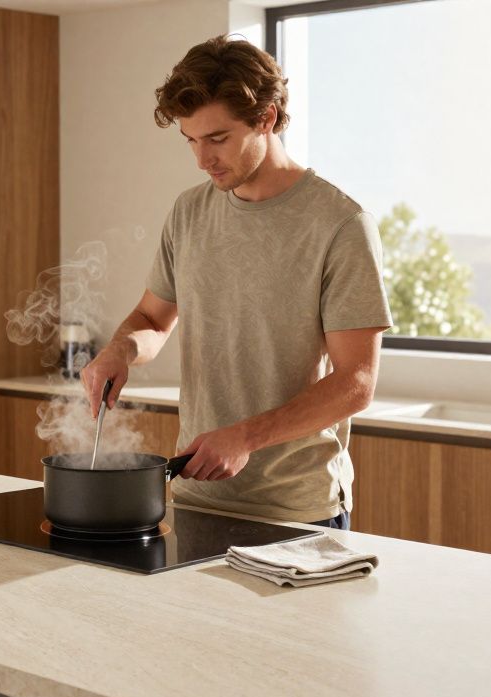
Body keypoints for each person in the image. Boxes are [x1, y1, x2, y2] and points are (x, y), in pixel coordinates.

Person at [79, 36, 392, 530]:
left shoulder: (340, 224)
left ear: (266, 118)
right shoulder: (189, 211)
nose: (203, 159)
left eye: (218, 138)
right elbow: (151, 319)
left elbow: (357, 382)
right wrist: (122, 349)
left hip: (296, 512)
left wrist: (245, 436)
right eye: (191, 140)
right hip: (194, 497)